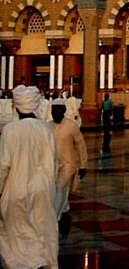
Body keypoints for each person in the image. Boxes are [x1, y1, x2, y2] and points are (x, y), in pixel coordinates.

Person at [0, 86, 59, 268]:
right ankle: (43, 262)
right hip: (42, 188)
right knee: (42, 230)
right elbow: (53, 163)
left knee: (16, 233)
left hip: (15, 188)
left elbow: (3, 165)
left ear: (16, 107)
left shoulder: (10, 130)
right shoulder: (46, 129)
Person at [50, 100, 88, 231]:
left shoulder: (71, 126)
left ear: (64, 111)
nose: (56, 113)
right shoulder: (48, 126)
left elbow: (80, 145)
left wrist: (83, 164)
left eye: (59, 110)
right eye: (53, 110)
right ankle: (64, 208)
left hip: (68, 164)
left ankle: (54, 217)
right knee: (58, 188)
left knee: (59, 188)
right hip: (53, 165)